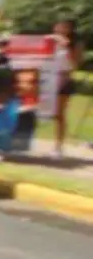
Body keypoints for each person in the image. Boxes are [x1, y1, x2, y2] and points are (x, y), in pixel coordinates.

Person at [53, 20, 83, 158]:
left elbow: (74, 64)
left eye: (64, 26)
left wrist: (66, 47)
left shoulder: (75, 44)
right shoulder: (50, 41)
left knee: (59, 114)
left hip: (64, 78)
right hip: (47, 78)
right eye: (59, 26)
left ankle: (58, 146)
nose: (60, 28)